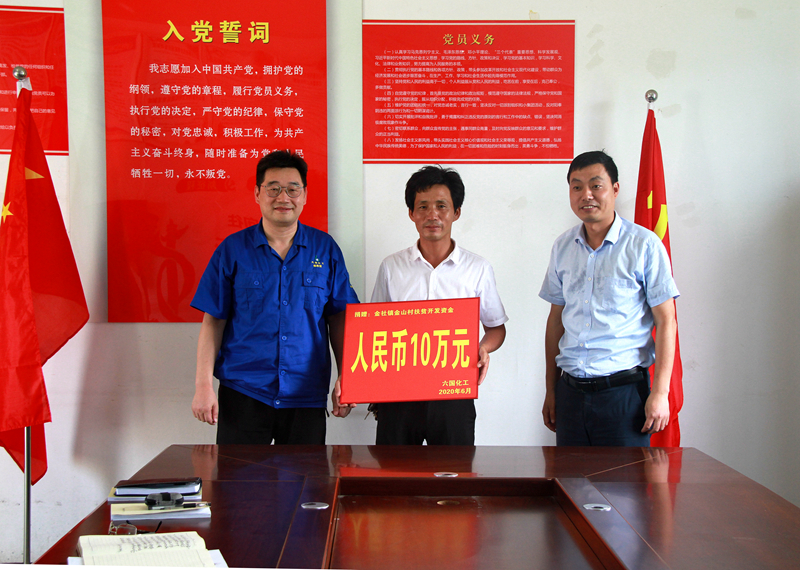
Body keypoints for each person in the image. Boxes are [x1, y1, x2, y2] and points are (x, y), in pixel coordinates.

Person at [190, 150, 359, 444]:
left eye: (293, 189)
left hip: (305, 394)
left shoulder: (325, 249)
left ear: (304, 195)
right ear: (258, 193)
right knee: (237, 474)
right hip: (243, 391)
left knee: (305, 475)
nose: (284, 197)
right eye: (273, 188)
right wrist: (202, 385)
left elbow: (340, 318)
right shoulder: (232, 250)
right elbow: (213, 321)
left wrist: (349, 376)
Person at [539, 150, 679, 446]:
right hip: (570, 394)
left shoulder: (644, 245)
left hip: (623, 397)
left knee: (624, 478)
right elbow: (556, 321)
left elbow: (666, 321)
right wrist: (551, 390)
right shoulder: (562, 247)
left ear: (615, 189)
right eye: (577, 187)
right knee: (569, 476)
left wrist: (660, 393)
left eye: (596, 185)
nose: (586, 195)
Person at [369, 165, 507, 445]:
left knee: (454, 471)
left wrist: (482, 348)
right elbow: (373, 329)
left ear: (456, 212)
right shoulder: (391, 267)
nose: (432, 214)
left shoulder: (477, 268)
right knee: (394, 469)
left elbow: (496, 328)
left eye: (441, 206)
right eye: (423, 206)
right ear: (411, 213)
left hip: (453, 394)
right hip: (398, 394)